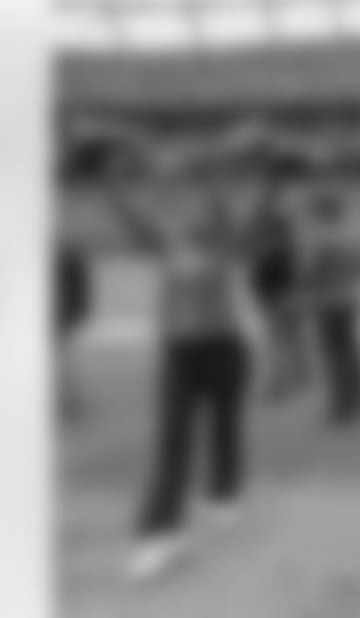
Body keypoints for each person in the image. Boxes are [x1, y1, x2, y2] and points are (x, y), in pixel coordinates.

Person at [100, 138, 270, 582]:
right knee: (172, 444)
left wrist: (222, 166)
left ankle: (223, 493)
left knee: (224, 427)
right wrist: (112, 180)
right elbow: (127, 217)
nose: (189, 216)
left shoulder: (226, 245)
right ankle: (158, 535)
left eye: (203, 211)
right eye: (186, 211)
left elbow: (251, 205)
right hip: (180, 352)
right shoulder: (164, 245)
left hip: (226, 349)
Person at [302, 192, 360, 426]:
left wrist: (307, 286)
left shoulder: (322, 239)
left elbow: (312, 273)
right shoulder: (353, 235)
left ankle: (342, 404)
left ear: (321, 213)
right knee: (351, 350)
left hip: (328, 301)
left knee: (334, 354)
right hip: (350, 298)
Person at [247, 179, 312, 402]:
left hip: (278, 290)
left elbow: (262, 274)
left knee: (280, 340)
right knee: (291, 337)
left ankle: (280, 385)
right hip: (283, 290)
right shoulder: (285, 238)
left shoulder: (272, 241)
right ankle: (301, 376)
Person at [56, 239, 93, 422]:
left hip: (60, 316)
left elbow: (81, 288)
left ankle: (66, 401)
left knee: (61, 362)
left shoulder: (68, 254)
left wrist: (78, 313)